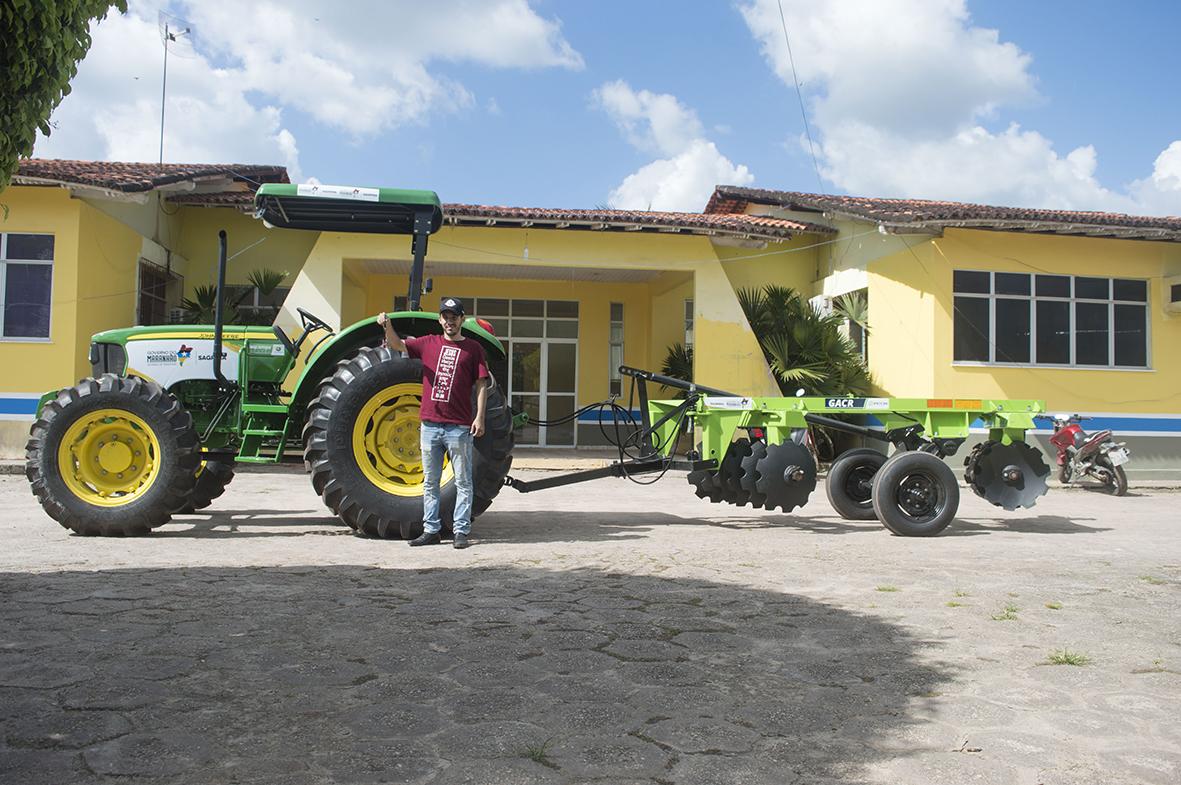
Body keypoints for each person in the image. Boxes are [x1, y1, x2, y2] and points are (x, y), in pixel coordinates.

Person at [377, 297, 489, 549]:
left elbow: (482, 384)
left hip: (458, 427)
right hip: (430, 425)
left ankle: (461, 530)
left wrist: (479, 416)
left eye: (454, 317)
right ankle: (431, 530)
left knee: (462, 481)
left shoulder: (473, 349)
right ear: (440, 319)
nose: (450, 321)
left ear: (462, 319)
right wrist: (387, 324)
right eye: (446, 317)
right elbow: (396, 344)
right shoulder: (428, 343)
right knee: (430, 482)